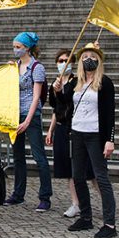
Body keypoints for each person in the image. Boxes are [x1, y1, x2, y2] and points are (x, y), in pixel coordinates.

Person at [61, 42, 117, 238]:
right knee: (77, 177)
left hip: (95, 135)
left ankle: (109, 223)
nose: (89, 60)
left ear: (99, 60)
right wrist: (59, 86)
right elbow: (61, 101)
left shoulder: (105, 83)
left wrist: (109, 140)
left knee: (101, 178)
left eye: (93, 56)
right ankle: (86, 217)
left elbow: (110, 115)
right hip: (77, 133)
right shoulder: (77, 82)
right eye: (85, 57)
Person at [4, 31, 52, 212]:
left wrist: (28, 120)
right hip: (15, 113)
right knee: (18, 157)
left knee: (39, 156)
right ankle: (18, 193)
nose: (15, 50)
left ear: (27, 48)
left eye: (18, 47)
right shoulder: (15, 66)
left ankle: (45, 196)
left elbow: (36, 96)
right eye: (14, 46)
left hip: (30, 115)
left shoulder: (36, 67)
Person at [46, 48, 93, 218]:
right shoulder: (56, 82)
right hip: (60, 127)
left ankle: (103, 201)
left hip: (75, 127)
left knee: (88, 169)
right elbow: (55, 108)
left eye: (67, 60)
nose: (63, 63)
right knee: (67, 169)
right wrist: (51, 130)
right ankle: (76, 203)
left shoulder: (76, 81)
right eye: (60, 61)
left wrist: (60, 92)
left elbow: (69, 103)